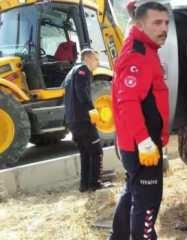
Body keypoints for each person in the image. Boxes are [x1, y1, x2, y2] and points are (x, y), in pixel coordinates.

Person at [109, 2, 169, 240]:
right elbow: (128, 102)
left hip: (135, 140)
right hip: (141, 143)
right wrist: (145, 141)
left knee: (133, 191)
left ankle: (119, 237)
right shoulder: (139, 54)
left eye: (166, 22)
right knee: (148, 199)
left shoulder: (144, 47)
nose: (164, 28)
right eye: (157, 23)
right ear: (140, 24)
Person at [63, 48, 103, 192]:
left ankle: (84, 185)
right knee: (96, 151)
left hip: (72, 121)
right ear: (87, 58)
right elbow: (82, 93)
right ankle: (95, 183)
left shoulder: (71, 73)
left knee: (85, 153)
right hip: (83, 120)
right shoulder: (83, 70)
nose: (97, 63)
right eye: (96, 59)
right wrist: (92, 110)